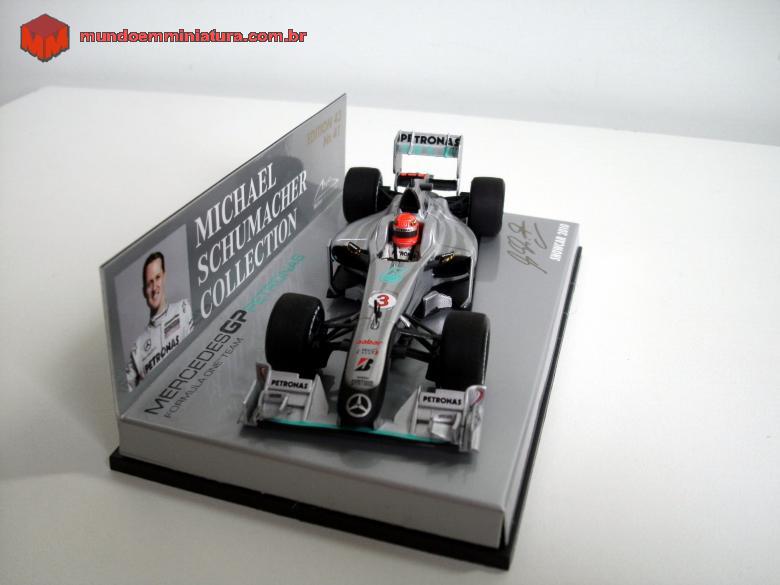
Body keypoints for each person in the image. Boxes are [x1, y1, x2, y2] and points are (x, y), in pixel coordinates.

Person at [125, 252, 193, 391]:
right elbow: (125, 395)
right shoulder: (138, 347)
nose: (155, 286)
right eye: (149, 283)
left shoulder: (183, 310)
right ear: (144, 291)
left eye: (157, 278)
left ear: (164, 277)